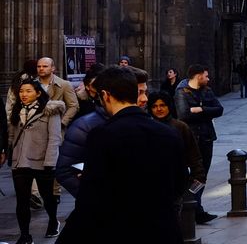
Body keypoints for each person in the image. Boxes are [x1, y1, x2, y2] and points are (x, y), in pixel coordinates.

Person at [55, 67, 187, 244]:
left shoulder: (102, 135)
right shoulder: (169, 133)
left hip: (120, 228)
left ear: (106, 95)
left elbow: (92, 194)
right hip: (163, 228)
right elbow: (181, 182)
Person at [9, 79, 64, 243]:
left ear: (38, 93)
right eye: (21, 91)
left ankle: (53, 221)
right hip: (20, 161)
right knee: (22, 201)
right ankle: (25, 235)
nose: (23, 95)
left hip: (42, 162)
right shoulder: (17, 110)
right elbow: (12, 135)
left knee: (48, 197)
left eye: (28, 91)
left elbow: (54, 138)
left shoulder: (50, 110)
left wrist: (50, 162)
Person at [174, 64, 224, 224]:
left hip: (206, 137)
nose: (208, 79)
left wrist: (201, 109)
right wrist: (205, 112)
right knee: (193, 174)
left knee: (202, 175)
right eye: (206, 76)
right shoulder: (182, 92)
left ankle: (196, 207)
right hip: (191, 139)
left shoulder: (207, 91)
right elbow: (184, 115)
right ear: (198, 76)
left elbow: (219, 109)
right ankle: (193, 208)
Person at [148, 93, 206, 193]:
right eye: (154, 106)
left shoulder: (180, 127)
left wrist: (198, 176)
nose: (159, 109)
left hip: (178, 178)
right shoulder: (147, 127)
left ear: (169, 106)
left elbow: (193, 154)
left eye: (162, 105)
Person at [36, 58, 79, 129]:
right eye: (39, 66)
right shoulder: (31, 84)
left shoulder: (64, 84)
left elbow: (74, 106)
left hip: (55, 126)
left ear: (53, 68)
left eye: (45, 66)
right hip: (36, 127)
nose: (41, 68)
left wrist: (62, 122)